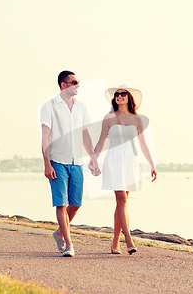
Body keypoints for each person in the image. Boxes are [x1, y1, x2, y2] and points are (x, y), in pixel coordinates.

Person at [39, 70, 100, 257]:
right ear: (64, 85)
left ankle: (59, 233)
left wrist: (93, 157)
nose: (78, 85)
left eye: (78, 81)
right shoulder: (49, 106)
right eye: (74, 82)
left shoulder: (81, 107)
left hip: (76, 162)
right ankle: (68, 244)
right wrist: (47, 163)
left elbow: (85, 134)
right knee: (61, 204)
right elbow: (45, 136)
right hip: (57, 160)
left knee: (76, 204)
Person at [94, 86, 157, 255]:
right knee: (121, 198)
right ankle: (128, 239)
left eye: (123, 94)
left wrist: (152, 164)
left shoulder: (137, 119)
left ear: (129, 98)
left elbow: (143, 144)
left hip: (130, 160)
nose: (119, 96)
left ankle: (115, 243)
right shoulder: (108, 118)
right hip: (114, 159)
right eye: (117, 94)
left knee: (122, 202)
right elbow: (100, 141)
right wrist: (94, 159)